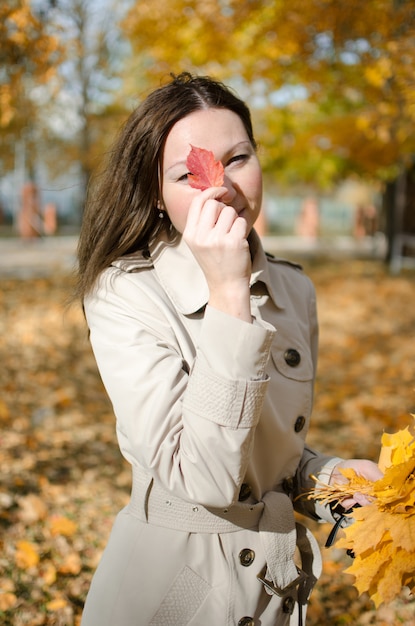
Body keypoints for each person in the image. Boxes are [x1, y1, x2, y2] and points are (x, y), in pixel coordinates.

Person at [76, 73, 382, 626]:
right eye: (188, 173)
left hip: (273, 597)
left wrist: (334, 483)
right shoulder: (125, 293)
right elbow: (206, 477)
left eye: (237, 158)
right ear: (157, 196)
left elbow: (266, 459)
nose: (220, 186)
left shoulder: (294, 290)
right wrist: (226, 293)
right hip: (174, 596)